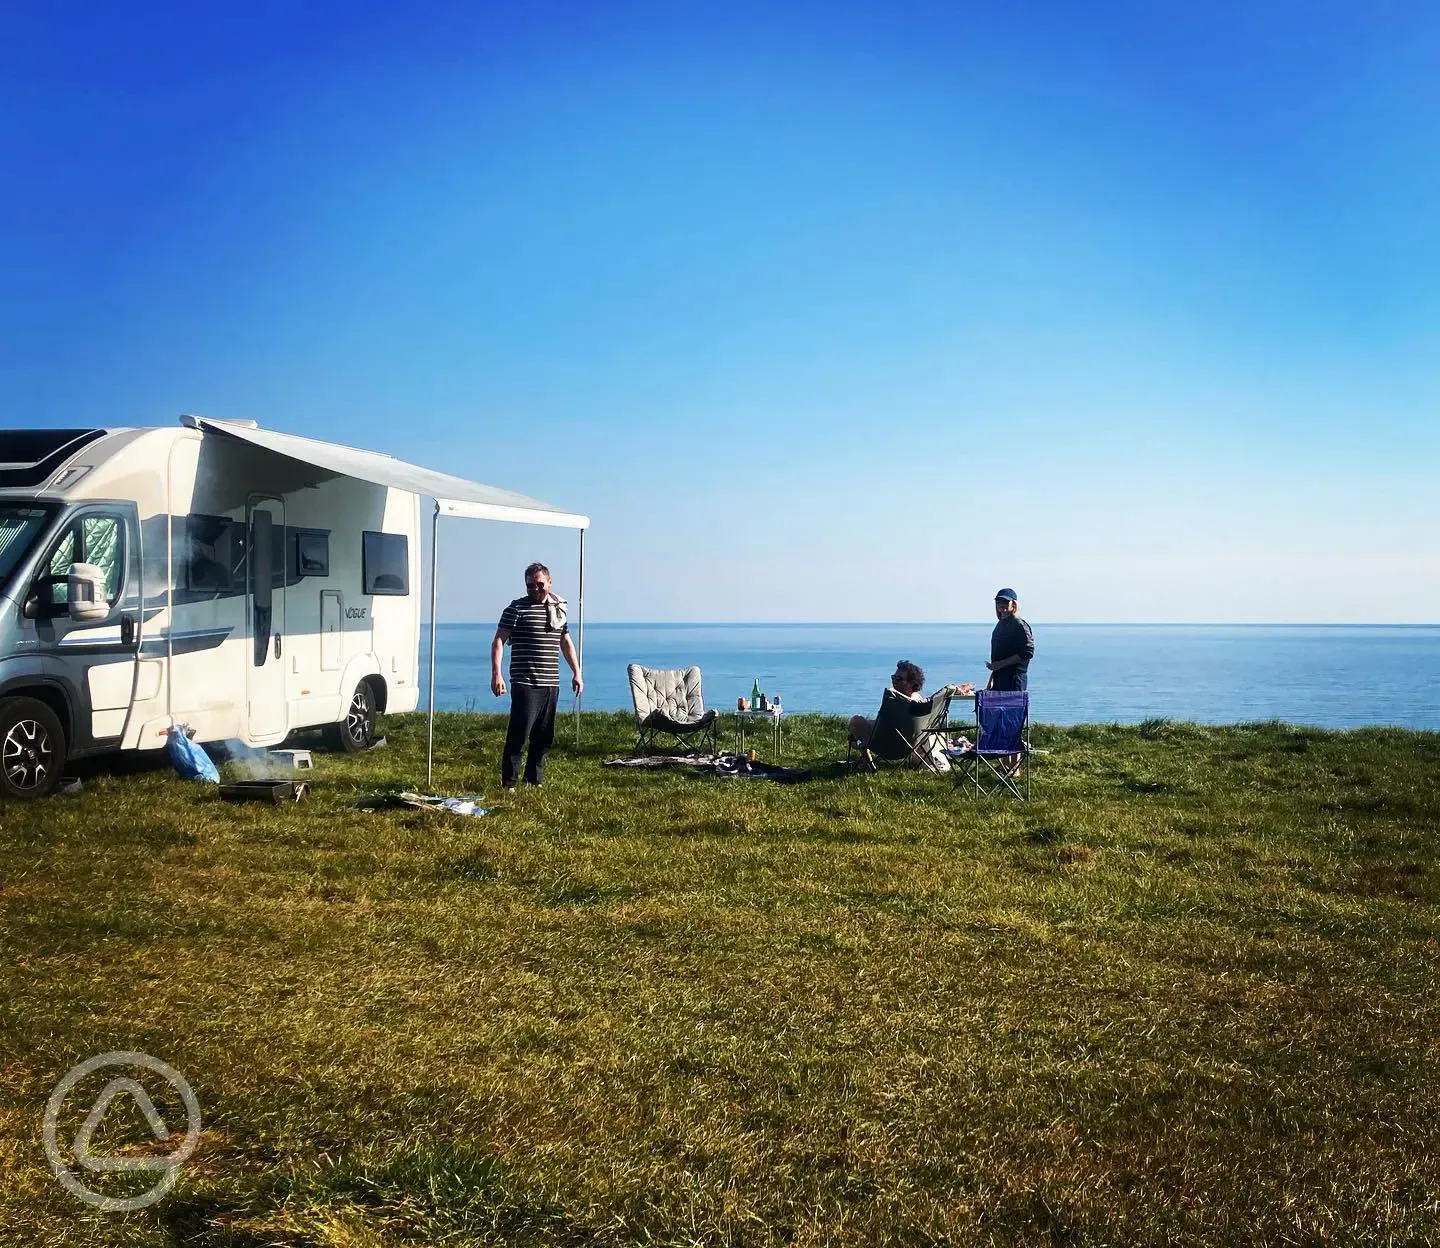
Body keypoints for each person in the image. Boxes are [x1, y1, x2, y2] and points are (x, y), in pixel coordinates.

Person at [490, 562, 583, 788]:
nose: (535, 590)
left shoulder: (558, 610)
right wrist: (497, 674)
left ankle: (534, 780)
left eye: (540, 585)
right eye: (530, 586)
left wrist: (576, 672)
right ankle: (509, 783)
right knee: (519, 734)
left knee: (543, 736)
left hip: (551, 682)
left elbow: (565, 641)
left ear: (549, 583)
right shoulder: (516, 609)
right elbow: (499, 641)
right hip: (525, 681)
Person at [848, 660, 971, 771]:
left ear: (912, 683)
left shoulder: (895, 701)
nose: (894, 681)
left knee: (856, 721)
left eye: (899, 679)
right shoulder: (922, 704)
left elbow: (885, 727)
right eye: (894, 678)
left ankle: (867, 762)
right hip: (912, 744)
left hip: (886, 745)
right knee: (869, 723)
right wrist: (956, 689)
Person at [986, 588, 1034, 691]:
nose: (1002, 604)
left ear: (1014, 604)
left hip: (1014, 679)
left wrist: (1000, 665)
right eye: (999, 601)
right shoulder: (1001, 624)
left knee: (1013, 707)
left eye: (1006, 601)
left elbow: (1027, 653)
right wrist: (992, 678)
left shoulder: (1019, 624)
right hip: (1000, 679)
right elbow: (999, 656)